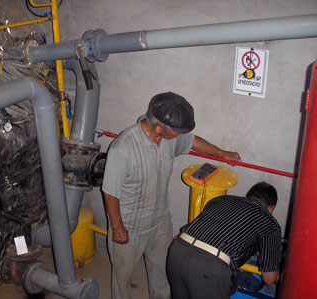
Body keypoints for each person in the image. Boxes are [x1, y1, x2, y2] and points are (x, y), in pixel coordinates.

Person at [101, 92, 241, 299]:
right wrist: (117, 227)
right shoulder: (123, 148)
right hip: (130, 226)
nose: (180, 136)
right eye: (177, 132)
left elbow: (192, 141)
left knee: (163, 273)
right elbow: (110, 191)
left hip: (160, 222)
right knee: (122, 277)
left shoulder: (168, 138)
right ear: (159, 127)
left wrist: (221, 153)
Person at [166, 181, 281, 299]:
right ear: (271, 208)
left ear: (247, 196)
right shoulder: (270, 223)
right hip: (209, 266)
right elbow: (269, 278)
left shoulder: (222, 199)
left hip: (177, 249)